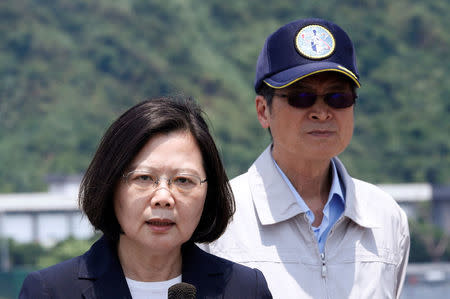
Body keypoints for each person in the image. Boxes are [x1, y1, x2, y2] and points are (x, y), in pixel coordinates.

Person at [202, 18, 410, 298]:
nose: (321, 113)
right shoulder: (220, 217)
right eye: (301, 97)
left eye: (338, 97)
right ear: (263, 111)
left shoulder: (385, 218)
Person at [19, 97, 272, 299]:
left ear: (208, 191)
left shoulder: (246, 290)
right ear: (110, 184)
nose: (163, 198)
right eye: (143, 178)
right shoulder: (50, 291)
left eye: (183, 180)